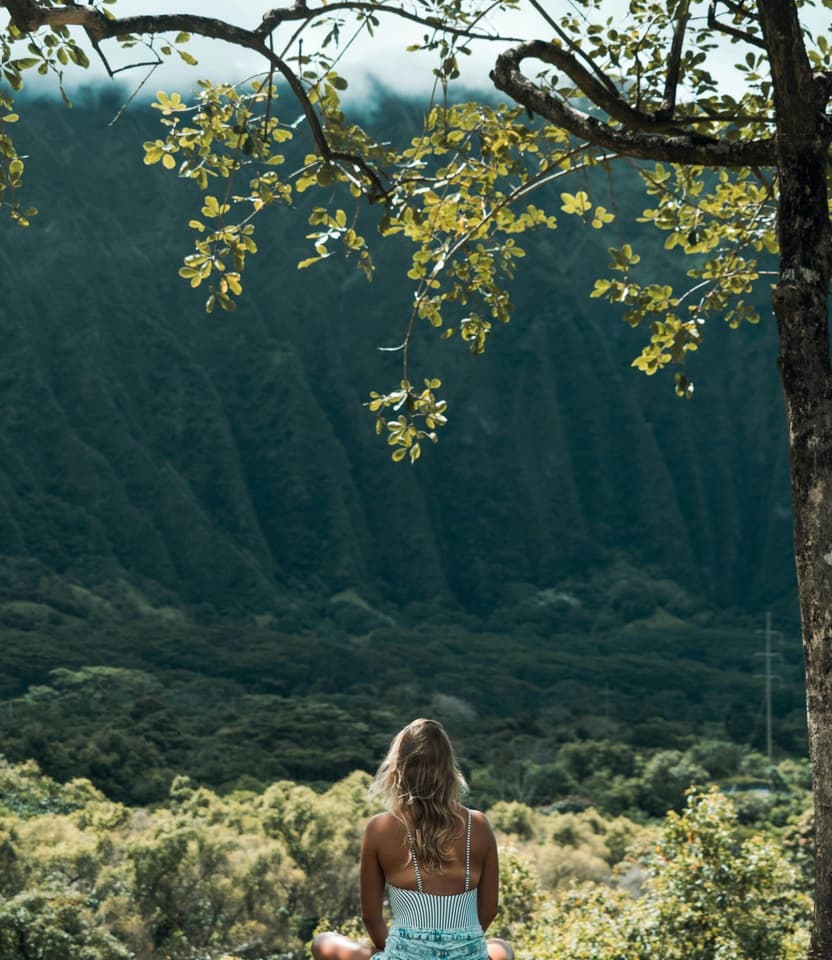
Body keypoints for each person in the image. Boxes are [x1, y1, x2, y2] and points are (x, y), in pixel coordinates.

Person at [312, 718, 513, 960]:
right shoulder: (478, 824)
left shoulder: (379, 828)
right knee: (502, 948)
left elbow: (371, 917)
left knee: (323, 941)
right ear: (449, 769)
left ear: (399, 768)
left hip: (403, 956)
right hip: (468, 955)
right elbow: (489, 910)